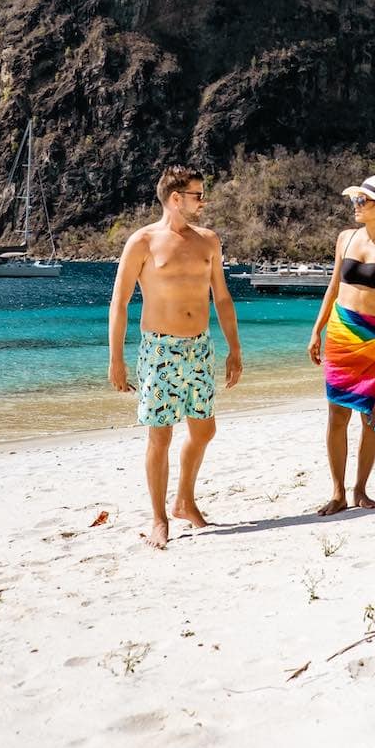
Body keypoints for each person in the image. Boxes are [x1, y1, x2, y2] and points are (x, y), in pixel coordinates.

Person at [107, 165, 243, 548]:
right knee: (160, 436)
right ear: (176, 198)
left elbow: (223, 297)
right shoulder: (142, 242)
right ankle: (159, 518)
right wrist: (115, 358)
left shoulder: (209, 241)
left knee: (204, 429)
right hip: (159, 350)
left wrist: (234, 348)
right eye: (198, 195)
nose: (204, 201)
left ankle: (184, 500)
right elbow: (119, 303)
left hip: (200, 346)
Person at [308, 174, 375, 515]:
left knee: (371, 416)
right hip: (342, 333)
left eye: (362, 201)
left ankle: (360, 489)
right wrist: (317, 329)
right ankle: (337, 493)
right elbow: (333, 287)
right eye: (356, 200)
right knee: (336, 415)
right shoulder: (345, 238)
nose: (356, 206)